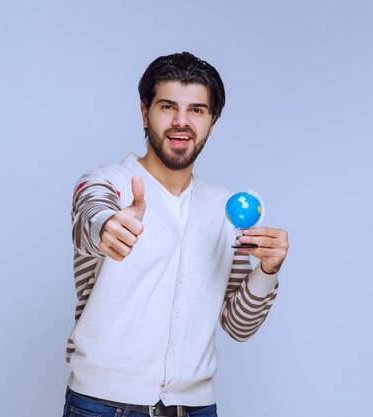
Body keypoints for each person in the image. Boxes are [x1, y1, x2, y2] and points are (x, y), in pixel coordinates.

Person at [63, 52, 289, 417]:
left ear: (212, 122)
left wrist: (267, 271)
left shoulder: (226, 209)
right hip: (102, 405)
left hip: (196, 407)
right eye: (168, 106)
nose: (181, 122)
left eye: (197, 110)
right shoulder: (106, 183)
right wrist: (107, 228)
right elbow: (91, 218)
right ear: (144, 112)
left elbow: (238, 326)